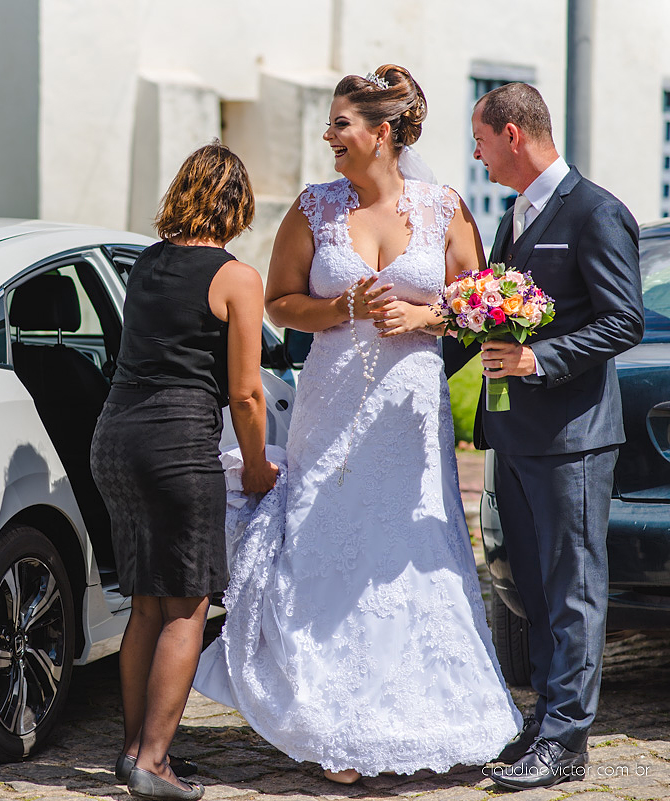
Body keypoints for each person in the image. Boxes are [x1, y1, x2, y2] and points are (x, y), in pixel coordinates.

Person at [193, 64, 522, 782]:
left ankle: (417, 713)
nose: (328, 137)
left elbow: (480, 300)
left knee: (407, 544)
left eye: (340, 124)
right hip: (333, 402)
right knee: (329, 537)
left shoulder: (443, 208)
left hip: (409, 412)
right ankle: (326, 715)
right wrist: (342, 310)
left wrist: (425, 315)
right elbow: (279, 300)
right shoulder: (315, 207)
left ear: (381, 133)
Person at [444, 82, 644, 790]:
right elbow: (492, 316)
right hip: (513, 433)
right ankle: (544, 719)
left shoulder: (595, 212)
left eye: (480, 139)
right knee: (530, 591)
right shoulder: (514, 216)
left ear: (513, 134)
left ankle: (567, 742)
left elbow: (626, 320)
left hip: (572, 438)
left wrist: (540, 358)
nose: (476, 154)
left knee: (572, 591)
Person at [90, 141, 279, 801]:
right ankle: (154, 761)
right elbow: (248, 392)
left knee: (146, 602)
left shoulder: (144, 264)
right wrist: (257, 464)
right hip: (177, 448)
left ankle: (133, 749)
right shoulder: (235, 277)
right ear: (238, 205)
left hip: (115, 440)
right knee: (187, 605)